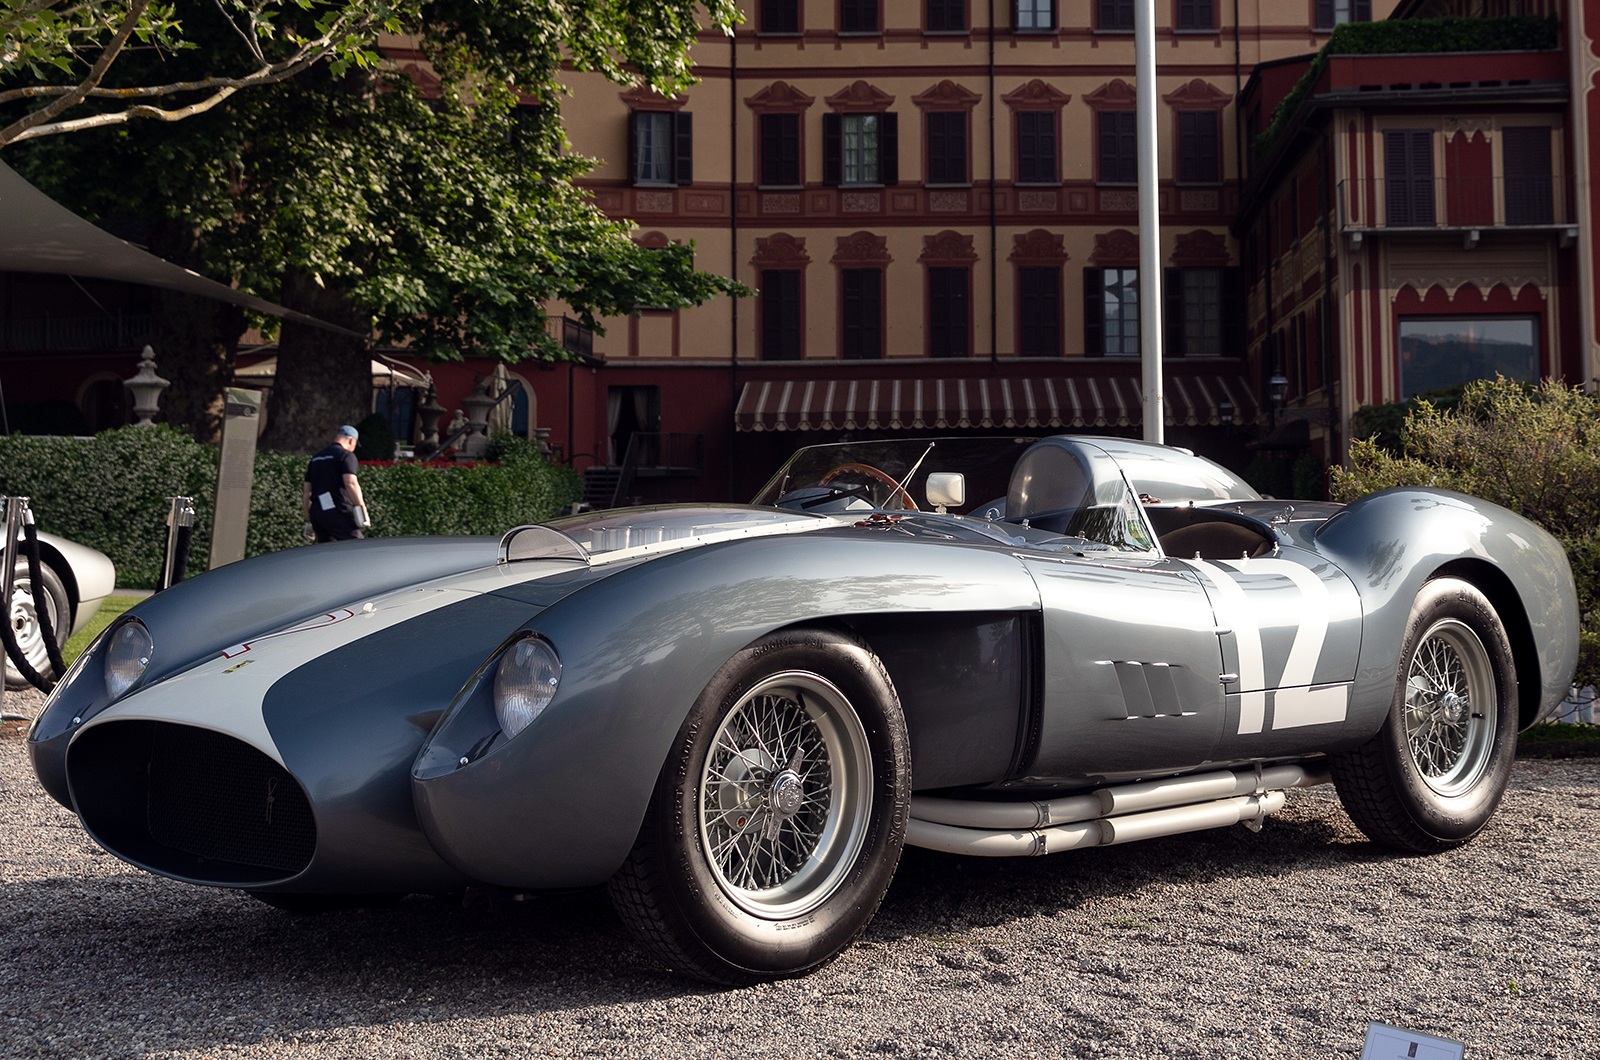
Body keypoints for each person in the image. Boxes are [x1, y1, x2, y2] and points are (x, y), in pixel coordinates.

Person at [303, 425, 371, 542]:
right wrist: (361, 509)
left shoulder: (316, 459)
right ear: (351, 440)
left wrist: (308, 521)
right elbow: (350, 483)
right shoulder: (346, 455)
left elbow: (307, 493)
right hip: (337, 511)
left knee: (329, 554)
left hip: (317, 514)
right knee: (358, 547)